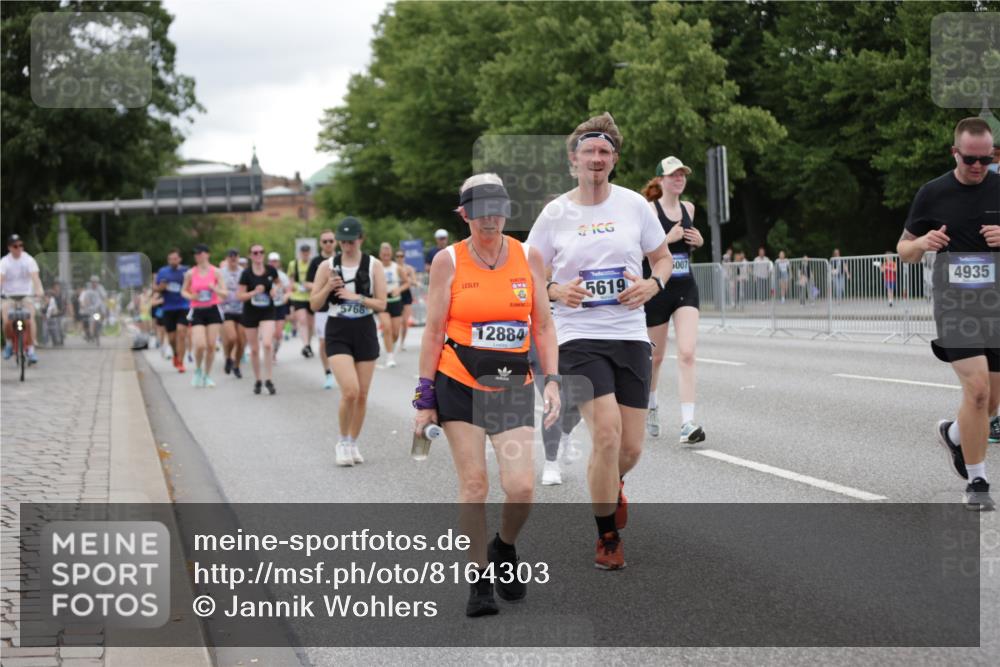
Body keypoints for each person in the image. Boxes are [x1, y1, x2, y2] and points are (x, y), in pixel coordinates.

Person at [527, 113, 672, 570]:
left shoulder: (634, 206)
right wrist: (554, 290)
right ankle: (607, 536)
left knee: (629, 449)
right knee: (605, 434)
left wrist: (653, 285)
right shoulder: (555, 213)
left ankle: (610, 487)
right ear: (574, 160)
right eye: (588, 151)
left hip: (629, 334)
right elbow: (529, 273)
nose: (596, 158)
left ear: (614, 160)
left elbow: (662, 258)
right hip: (577, 335)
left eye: (605, 152)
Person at [414, 174, 560, 615]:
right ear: (464, 214)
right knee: (474, 485)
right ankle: (478, 583)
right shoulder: (449, 261)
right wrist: (424, 398)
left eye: (497, 208)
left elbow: (544, 326)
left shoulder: (527, 256)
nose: (490, 218)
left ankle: (505, 547)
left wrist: (552, 378)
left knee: (521, 487)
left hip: (512, 384)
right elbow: (435, 329)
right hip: (458, 382)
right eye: (480, 210)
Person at [897, 116, 999, 511]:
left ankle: (955, 434)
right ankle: (977, 481)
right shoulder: (932, 193)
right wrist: (923, 241)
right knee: (976, 391)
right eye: (970, 159)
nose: (977, 167)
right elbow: (903, 251)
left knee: (990, 403)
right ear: (955, 153)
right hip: (955, 306)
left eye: (986, 160)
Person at [309, 217, 388, 466]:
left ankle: (353, 442)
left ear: (360, 239)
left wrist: (358, 297)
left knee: (363, 395)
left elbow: (382, 303)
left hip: (364, 329)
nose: (346, 246)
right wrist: (328, 287)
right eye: (342, 242)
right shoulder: (327, 265)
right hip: (338, 329)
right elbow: (314, 304)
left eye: (351, 241)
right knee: (350, 391)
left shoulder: (373, 265)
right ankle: (342, 441)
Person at [640, 156, 706, 443]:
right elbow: (640, 251)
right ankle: (651, 405)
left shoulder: (689, 208)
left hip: (685, 287)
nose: (679, 179)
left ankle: (687, 422)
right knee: (655, 358)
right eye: (673, 175)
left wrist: (699, 241)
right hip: (657, 288)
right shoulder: (649, 210)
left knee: (688, 353)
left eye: (682, 175)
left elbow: (692, 245)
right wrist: (668, 237)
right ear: (661, 180)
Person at [181, 244, 226, 387]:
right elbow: (183, 291)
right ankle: (198, 370)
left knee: (211, 346)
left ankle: (207, 375)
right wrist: (191, 296)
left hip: (213, 309)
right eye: (196, 254)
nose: (198, 256)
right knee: (200, 345)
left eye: (200, 253)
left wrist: (215, 288)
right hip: (197, 310)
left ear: (207, 254)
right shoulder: (190, 273)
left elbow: (225, 293)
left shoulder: (216, 272)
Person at [237, 243, 279, 395]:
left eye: (261, 252)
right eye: (255, 253)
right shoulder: (246, 274)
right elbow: (240, 296)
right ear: (250, 255)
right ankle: (258, 380)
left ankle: (268, 379)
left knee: (267, 344)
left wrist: (275, 289)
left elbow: (278, 283)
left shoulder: (271, 270)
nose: (258, 255)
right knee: (254, 350)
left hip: (268, 311)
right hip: (250, 313)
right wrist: (254, 292)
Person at [1, 234, 44, 363]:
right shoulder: (4, 262)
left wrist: (38, 290)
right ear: (9, 248)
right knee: (6, 320)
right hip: (8, 296)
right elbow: (1, 280)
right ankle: (9, 343)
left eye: (21, 245)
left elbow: (35, 278)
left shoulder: (29, 260)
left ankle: (31, 349)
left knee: (30, 320)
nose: (19, 248)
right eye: (15, 246)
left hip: (26, 295)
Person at [306, 229, 338, 389]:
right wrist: (324, 285)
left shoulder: (342, 259)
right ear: (320, 243)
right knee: (324, 342)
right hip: (323, 307)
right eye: (325, 241)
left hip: (341, 306)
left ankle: (342, 369)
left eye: (330, 241)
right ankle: (328, 373)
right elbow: (307, 283)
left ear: (336, 242)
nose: (328, 244)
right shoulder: (316, 261)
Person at [154, 249, 190, 372]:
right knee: (172, 338)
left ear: (180, 259)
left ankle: (181, 361)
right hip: (168, 308)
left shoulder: (186, 271)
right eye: (170, 259)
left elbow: (193, 285)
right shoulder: (163, 271)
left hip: (183, 306)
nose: (172, 261)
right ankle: (175, 354)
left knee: (181, 333)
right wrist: (160, 287)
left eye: (175, 259)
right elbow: (155, 288)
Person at [378, 242, 407, 367]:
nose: (386, 255)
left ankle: (389, 341)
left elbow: (406, 282)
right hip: (382, 302)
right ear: (380, 254)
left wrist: (399, 290)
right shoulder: (376, 266)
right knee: (387, 327)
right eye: (384, 253)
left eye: (388, 253)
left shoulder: (397, 267)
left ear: (391, 254)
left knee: (395, 332)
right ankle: (390, 356)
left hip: (395, 301)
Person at [219, 249, 246, 378]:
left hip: (242, 309)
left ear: (238, 258)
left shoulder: (243, 272)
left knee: (241, 341)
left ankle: (236, 365)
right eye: (230, 256)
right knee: (231, 338)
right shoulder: (221, 273)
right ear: (227, 258)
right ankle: (228, 357)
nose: (233, 258)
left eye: (235, 256)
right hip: (226, 308)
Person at [288, 244, 315, 358]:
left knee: (310, 324)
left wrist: (311, 286)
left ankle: (308, 344)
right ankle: (306, 345)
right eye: (303, 252)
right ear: (300, 253)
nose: (305, 254)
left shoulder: (313, 264)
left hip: (311, 296)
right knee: (302, 320)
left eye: (307, 252)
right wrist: (296, 286)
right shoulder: (293, 264)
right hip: (298, 296)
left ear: (309, 253)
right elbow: (290, 280)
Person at [268, 252, 292, 361]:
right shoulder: (265, 274)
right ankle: (270, 352)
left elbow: (288, 290)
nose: (273, 263)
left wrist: (286, 296)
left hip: (280, 305)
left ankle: (274, 352)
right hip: (268, 307)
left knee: (278, 333)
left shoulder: (283, 276)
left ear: (278, 262)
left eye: (275, 261)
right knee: (271, 332)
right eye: (271, 261)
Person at [396, 248, 418, 351]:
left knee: (405, 321)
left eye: (402, 256)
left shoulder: (409, 269)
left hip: (406, 295)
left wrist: (406, 279)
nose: (400, 258)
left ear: (404, 257)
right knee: (396, 321)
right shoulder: (393, 268)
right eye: (398, 256)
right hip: (395, 294)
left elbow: (415, 282)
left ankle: (402, 342)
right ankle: (390, 335)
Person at [78, 276, 106, 342]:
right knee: (91, 319)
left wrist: (103, 298)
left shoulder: (100, 288)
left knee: (103, 315)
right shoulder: (88, 289)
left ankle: (100, 326)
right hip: (91, 307)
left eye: (96, 282)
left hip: (99, 307)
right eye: (93, 282)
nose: (94, 283)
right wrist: (86, 305)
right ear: (91, 282)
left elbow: (104, 296)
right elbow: (86, 298)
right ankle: (91, 333)